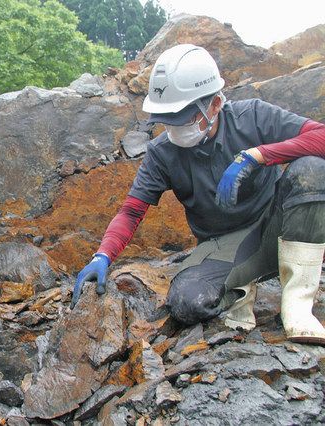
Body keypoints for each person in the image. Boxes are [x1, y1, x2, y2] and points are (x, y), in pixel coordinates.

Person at [71, 44, 325, 344]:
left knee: (311, 169)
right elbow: (131, 212)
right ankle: (241, 285)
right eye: (168, 119)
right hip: (225, 247)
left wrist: (259, 155)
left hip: (277, 227)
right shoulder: (162, 154)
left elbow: (320, 137)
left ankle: (297, 304)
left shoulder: (252, 116)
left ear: (215, 104)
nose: (175, 127)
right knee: (186, 302)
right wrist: (103, 255)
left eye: (185, 117)